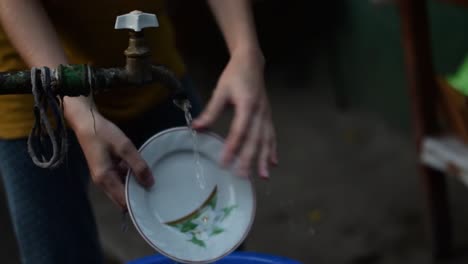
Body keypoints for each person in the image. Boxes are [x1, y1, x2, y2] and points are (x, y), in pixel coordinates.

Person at [0, 0, 277, 263]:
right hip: (33, 69)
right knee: (57, 253)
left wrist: (245, 51)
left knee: (213, 242)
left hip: (149, 62)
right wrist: (75, 105)